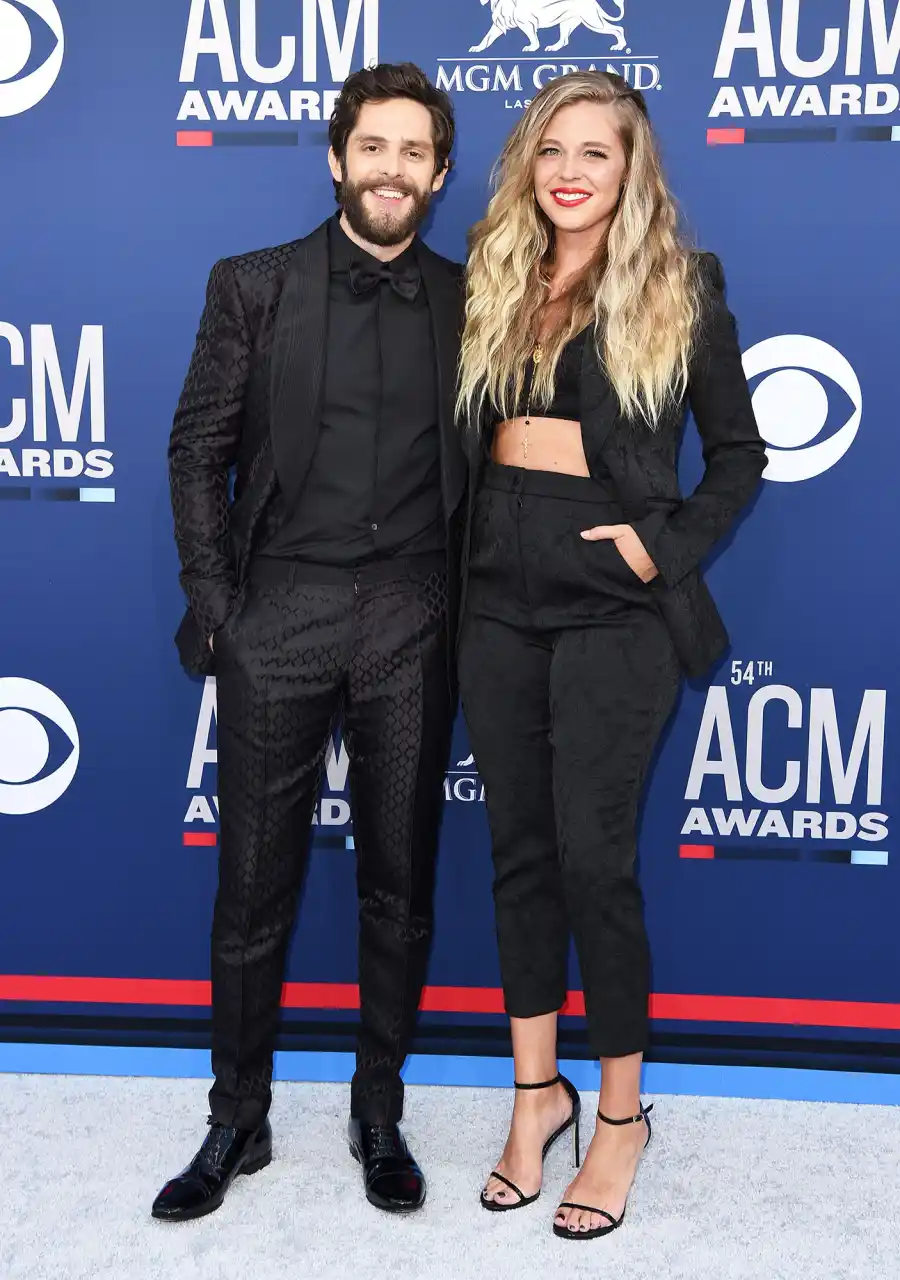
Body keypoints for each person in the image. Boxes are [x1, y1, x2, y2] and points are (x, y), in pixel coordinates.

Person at [456, 71, 766, 1240]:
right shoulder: (492, 279)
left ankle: (623, 1116)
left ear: (634, 170)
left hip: (611, 606)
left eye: (598, 150)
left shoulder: (683, 286)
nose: (571, 168)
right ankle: (537, 1097)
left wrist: (659, 550)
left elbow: (738, 456)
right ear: (528, 164)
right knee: (519, 857)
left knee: (596, 862)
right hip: (492, 599)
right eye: (552, 149)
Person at [154, 62, 465, 1221]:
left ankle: (377, 1107)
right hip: (274, 613)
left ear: (438, 173)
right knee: (251, 886)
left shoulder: (468, 295)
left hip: (411, 616)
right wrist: (223, 606)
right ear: (337, 158)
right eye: (372, 147)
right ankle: (238, 1115)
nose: (392, 170)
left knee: (400, 881)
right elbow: (196, 451)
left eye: (414, 153)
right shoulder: (254, 285)